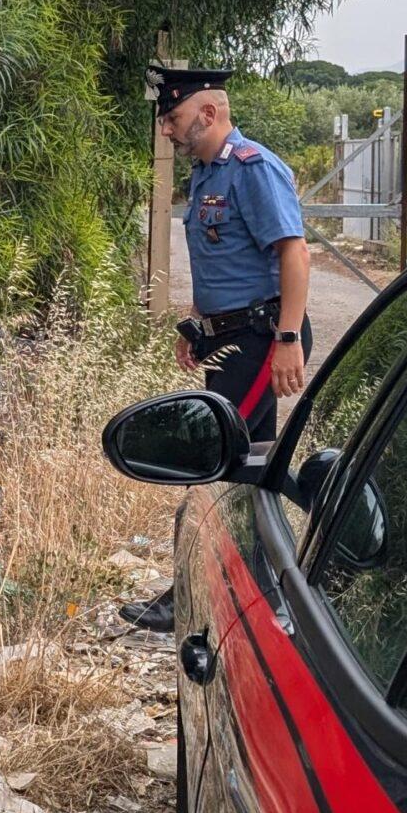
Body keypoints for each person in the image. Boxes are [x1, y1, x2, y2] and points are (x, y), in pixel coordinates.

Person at [119, 66, 313, 634]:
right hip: (231, 337)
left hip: (259, 339)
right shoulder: (209, 174)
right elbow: (226, 261)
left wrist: (286, 338)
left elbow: (294, 255)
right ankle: (263, 589)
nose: (168, 133)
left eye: (174, 120)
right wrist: (198, 324)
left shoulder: (253, 168)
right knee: (242, 464)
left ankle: (217, 595)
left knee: (227, 463)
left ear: (208, 114)